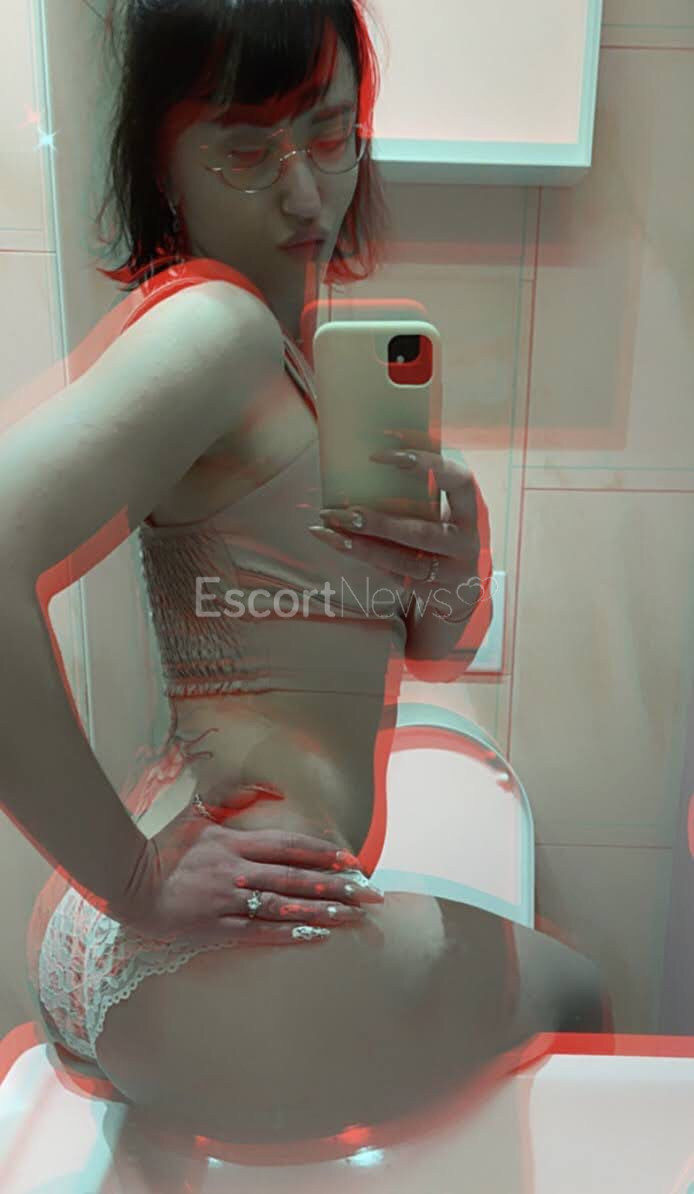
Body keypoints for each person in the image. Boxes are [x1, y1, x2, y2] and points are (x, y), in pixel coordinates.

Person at [1, 0, 610, 1146]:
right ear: (162, 165)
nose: (303, 193)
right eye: (247, 149)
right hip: (217, 948)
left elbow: (424, 645)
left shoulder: (297, 367)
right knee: (577, 994)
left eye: (329, 134)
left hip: (176, 941)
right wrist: (133, 880)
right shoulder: (218, 333)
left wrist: (455, 565)